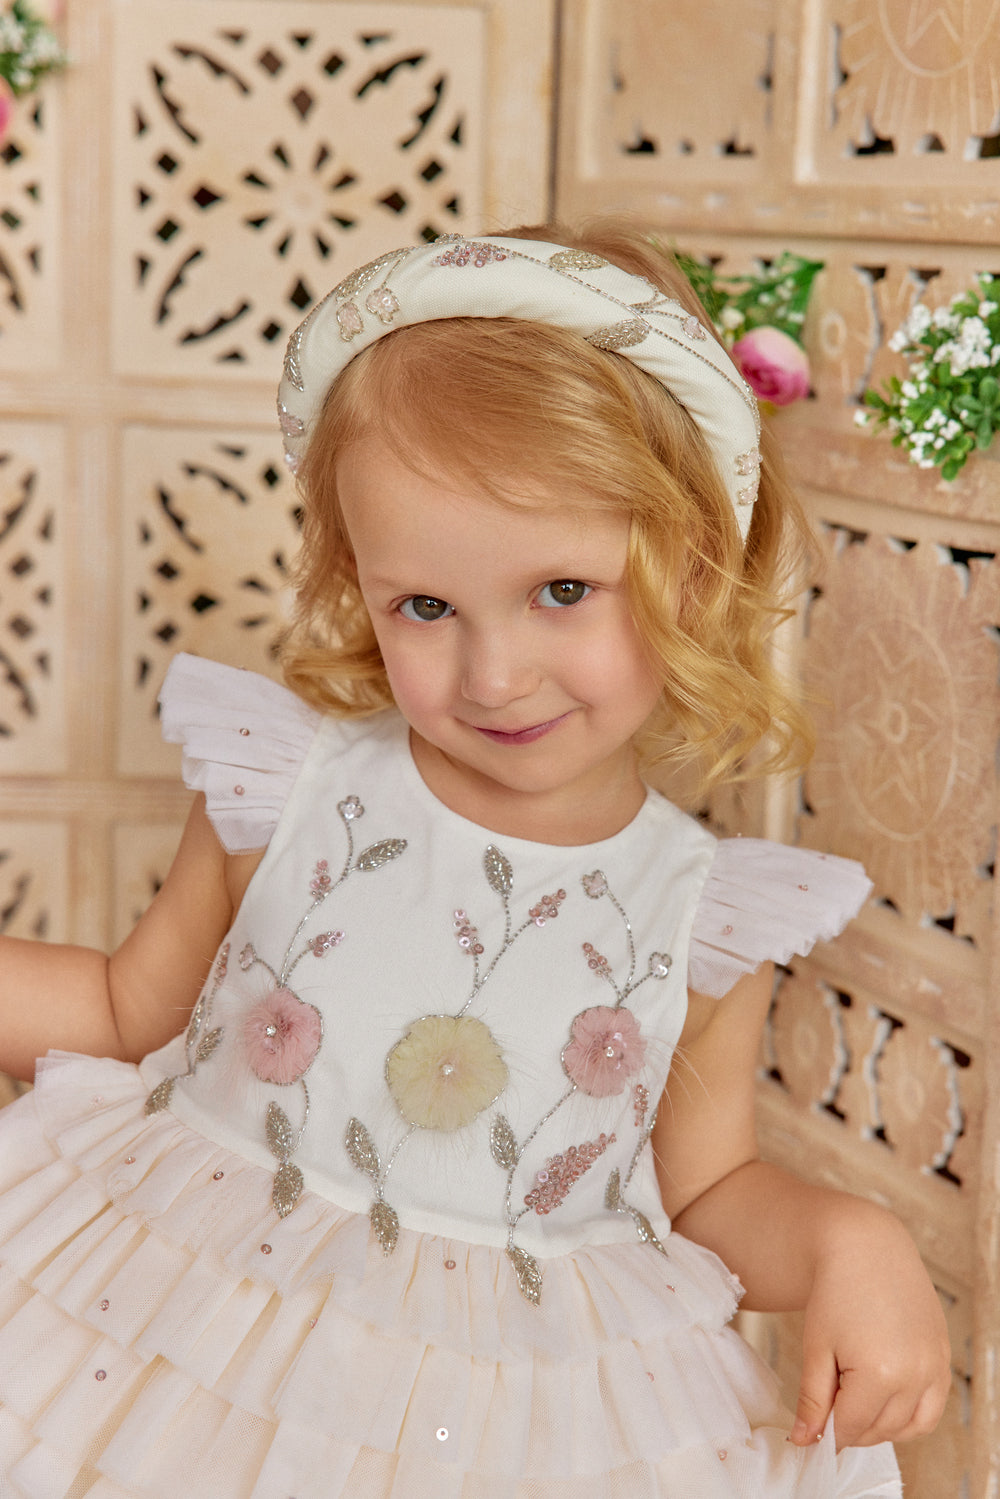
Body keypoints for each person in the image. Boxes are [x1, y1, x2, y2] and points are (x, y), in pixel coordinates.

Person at [0, 222, 949, 1497]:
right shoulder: (289, 791)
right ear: (360, 584)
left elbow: (706, 1191)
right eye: (425, 608)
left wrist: (856, 1239)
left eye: (562, 589)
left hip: (494, 1428)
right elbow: (126, 1010)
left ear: (695, 568)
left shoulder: (698, 911)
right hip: (187, 1339)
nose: (492, 675)